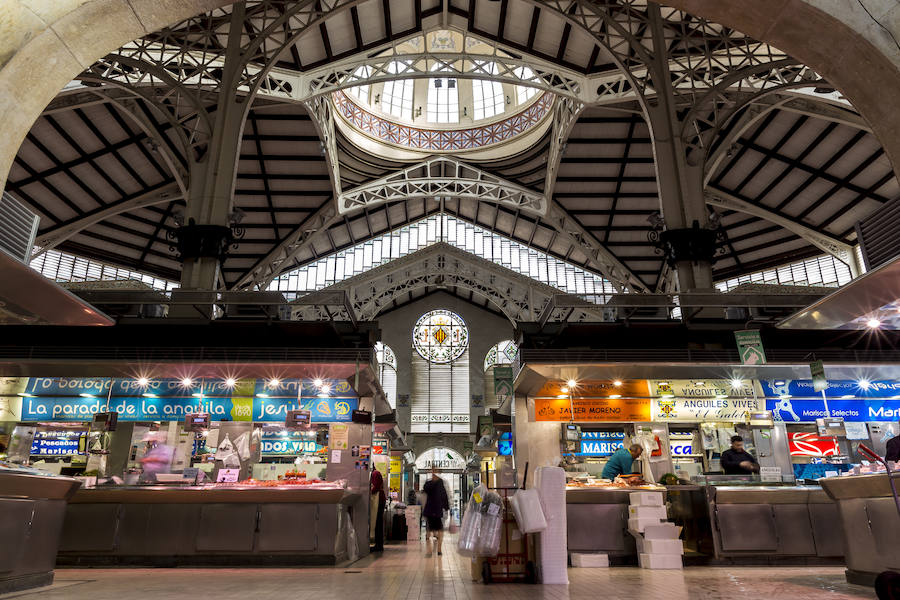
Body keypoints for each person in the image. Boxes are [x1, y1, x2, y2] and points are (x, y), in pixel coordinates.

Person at [421, 468, 449, 558]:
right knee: (435, 530)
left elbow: (425, 489)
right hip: (435, 510)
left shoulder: (434, 483)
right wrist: (446, 507)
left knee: (431, 530)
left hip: (432, 510)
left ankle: (434, 551)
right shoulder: (435, 483)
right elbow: (444, 495)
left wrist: (446, 506)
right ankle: (436, 550)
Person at [370, 467, 386, 552]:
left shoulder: (375, 473)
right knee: (378, 522)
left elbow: (375, 487)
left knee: (377, 522)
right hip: (380, 500)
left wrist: (369, 492)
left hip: (379, 500)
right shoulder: (376, 473)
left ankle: (378, 545)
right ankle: (378, 544)